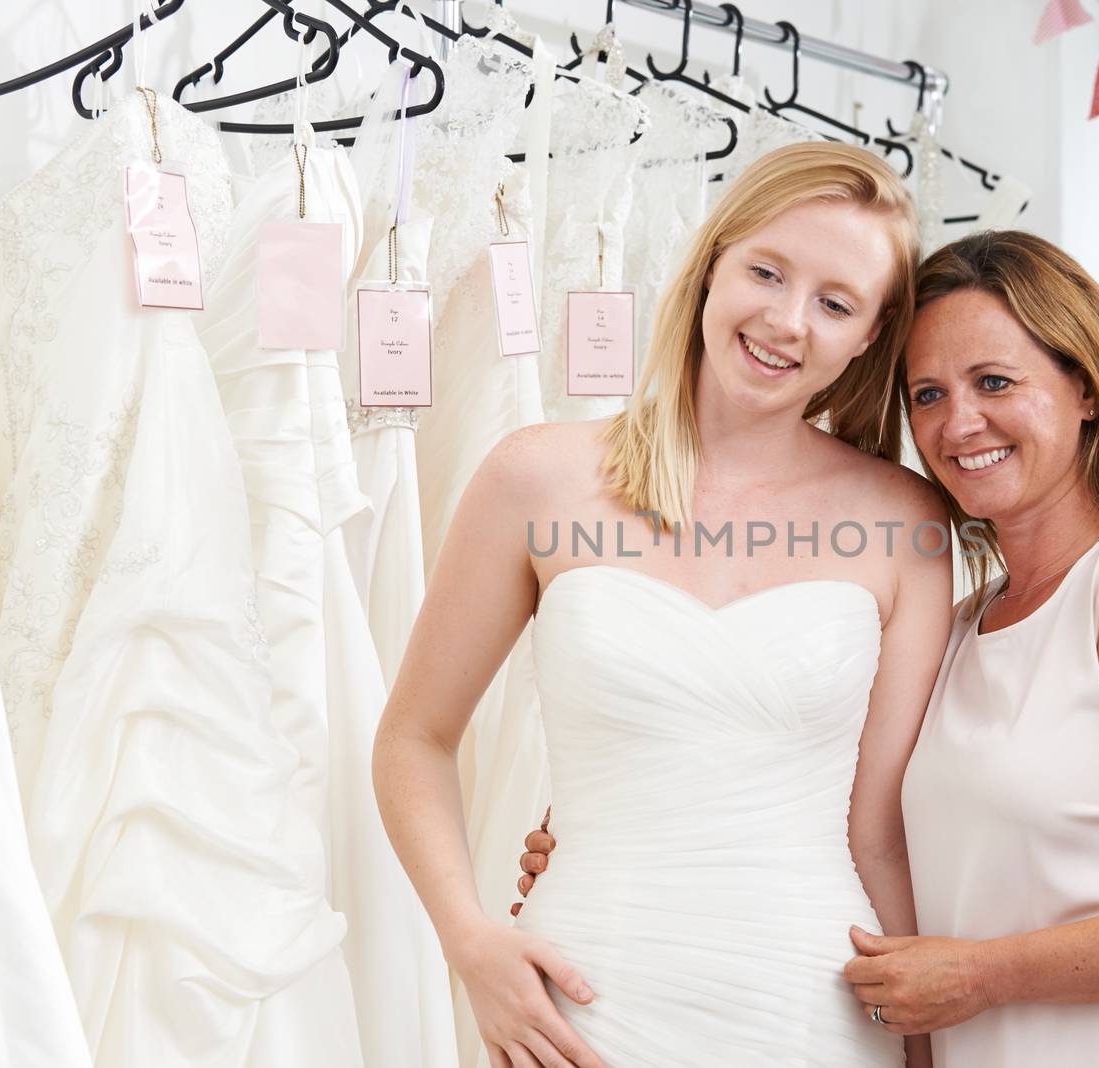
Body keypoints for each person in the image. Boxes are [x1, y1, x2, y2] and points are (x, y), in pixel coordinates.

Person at [521, 230, 1099, 1067]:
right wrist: (618, 831)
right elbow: (850, 821)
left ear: (1085, 389)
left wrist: (982, 977)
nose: (959, 423)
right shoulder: (961, 623)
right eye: (927, 395)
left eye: (994, 382)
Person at [372, 142, 952, 1068]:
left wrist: (922, 1053)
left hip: (812, 1008)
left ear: (870, 337)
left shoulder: (907, 522)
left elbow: (876, 831)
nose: (787, 320)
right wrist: (469, 940)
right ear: (712, 262)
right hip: (582, 1000)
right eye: (766, 271)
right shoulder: (538, 477)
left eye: (835, 303)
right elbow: (413, 737)